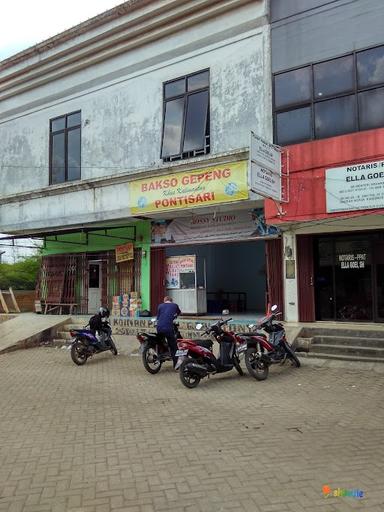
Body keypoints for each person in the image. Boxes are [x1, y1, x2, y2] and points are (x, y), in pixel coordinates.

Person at [156, 296, 181, 366]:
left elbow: (158, 317)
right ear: (171, 301)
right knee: (173, 346)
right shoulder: (174, 305)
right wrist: (174, 316)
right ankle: (176, 364)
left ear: (164, 301)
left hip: (159, 327)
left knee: (161, 341)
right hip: (168, 328)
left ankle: (162, 354)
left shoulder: (160, 306)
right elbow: (178, 313)